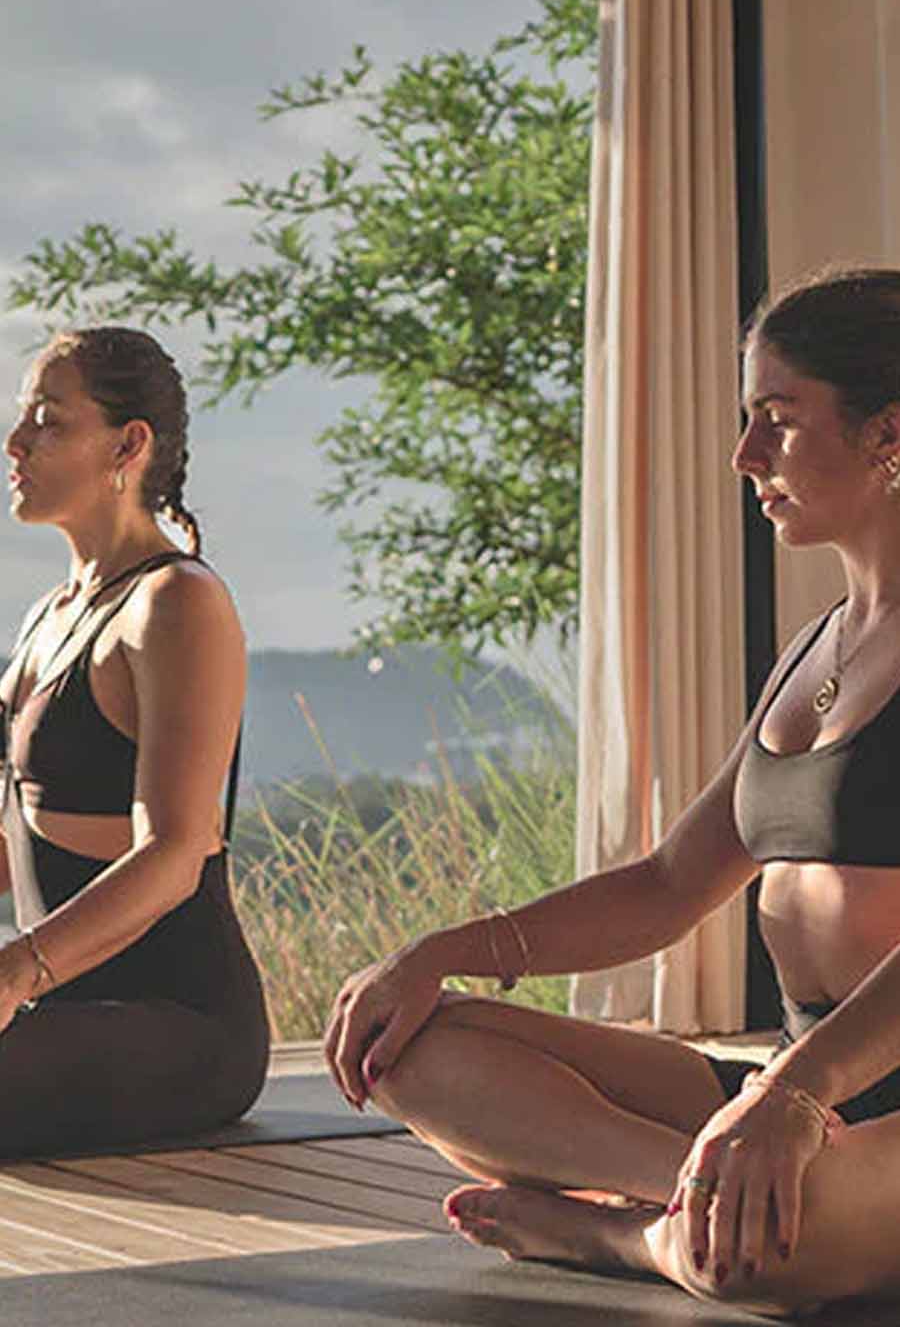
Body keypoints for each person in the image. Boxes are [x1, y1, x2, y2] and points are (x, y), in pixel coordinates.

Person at [326, 268, 900, 1317]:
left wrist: (796, 1092)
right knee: (407, 1046)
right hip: (789, 1093)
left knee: (794, 1246)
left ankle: (623, 1233)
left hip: (829, 1096)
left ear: (888, 433)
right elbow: (667, 885)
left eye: (777, 420)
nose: (745, 455)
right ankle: (704, 1195)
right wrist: (438, 954)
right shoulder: (816, 646)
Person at [0, 325, 269, 1155]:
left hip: (181, 1026)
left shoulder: (175, 603)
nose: (15, 443)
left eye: (48, 420)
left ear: (128, 445)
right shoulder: (48, 618)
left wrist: (14, 971)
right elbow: (13, 843)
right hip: (65, 1013)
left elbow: (176, 852)